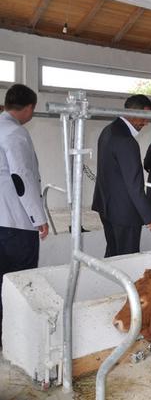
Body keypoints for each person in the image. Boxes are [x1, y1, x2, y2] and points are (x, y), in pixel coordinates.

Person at [0, 84, 48, 344]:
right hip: (15, 222)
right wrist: (38, 217)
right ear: (29, 108)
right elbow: (22, 178)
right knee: (20, 280)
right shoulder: (15, 134)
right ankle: (15, 336)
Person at [92, 95, 151, 258]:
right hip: (124, 213)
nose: (147, 122)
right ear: (133, 112)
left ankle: (108, 284)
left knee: (113, 253)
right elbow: (134, 184)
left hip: (106, 207)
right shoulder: (127, 141)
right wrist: (150, 217)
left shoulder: (108, 130)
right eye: (145, 117)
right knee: (127, 259)